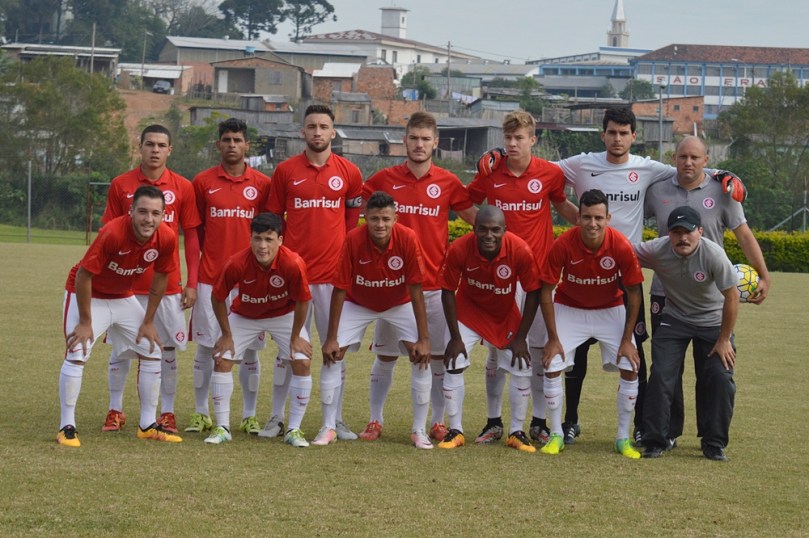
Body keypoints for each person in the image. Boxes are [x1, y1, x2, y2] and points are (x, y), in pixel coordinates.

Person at [477, 107, 746, 446]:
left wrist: (725, 175)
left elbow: (689, 166)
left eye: (624, 133)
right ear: (602, 134)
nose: (617, 139)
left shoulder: (648, 168)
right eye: (612, 132)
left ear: (634, 136)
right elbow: (531, 163)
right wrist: (500, 155)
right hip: (580, 269)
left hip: (624, 271)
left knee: (634, 354)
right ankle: (569, 422)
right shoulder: (580, 164)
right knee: (575, 355)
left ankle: (639, 427)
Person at [359, 111, 477, 444]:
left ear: (436, 143)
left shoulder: (449, 182)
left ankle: (437, 422)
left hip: (434, 286)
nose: (419, 144)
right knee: (385, 355)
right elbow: (354, 208)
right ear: (404, 140)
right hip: (392, 288)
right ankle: (374, 420)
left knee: (436, 357)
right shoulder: (384, 179)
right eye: (413, 138)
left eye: (426, 139)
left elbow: (478, 223)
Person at [644, 136, 770, 446]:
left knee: (712, 371)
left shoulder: (723, 190)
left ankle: (710, 437)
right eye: (682, 156)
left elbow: (743, 234)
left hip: (712, 299)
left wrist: (764, 276)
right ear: (674, 158)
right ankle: (668, 434)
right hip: (666, 292)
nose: (688, 162)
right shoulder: (657, 188)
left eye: (695, 157)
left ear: (706, 159)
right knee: (666, 372)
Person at [467, 111, 577, 447]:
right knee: (497, 351)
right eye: (508, 138)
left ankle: (539, 422)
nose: (513, 144)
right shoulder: (490, 172)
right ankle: (493, 422)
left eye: (519, 138)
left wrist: (593, 225)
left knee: (540, 350)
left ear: (533, 139)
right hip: (500, 277)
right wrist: (483, 237)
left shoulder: (550, 173)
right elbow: (463, 202)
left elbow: (563, 206)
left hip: (540, 277)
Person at [263, 104, 363, 444]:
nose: (317, 132)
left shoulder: (349, 172)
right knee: (287, 350)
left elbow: (352, 226)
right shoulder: (285, 171)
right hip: (293, 275)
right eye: (311, 126)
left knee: (335, 348)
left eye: (323, 126)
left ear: (333, 132)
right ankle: (278, 417)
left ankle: (333, 420)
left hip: (333, 278)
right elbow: (273, 222)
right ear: (302, 132)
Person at [57, 185, 181, 447]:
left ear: (163, 215)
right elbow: (83, 275)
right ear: (131, 211)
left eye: (155, 213)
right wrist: (86, 322)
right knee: (77, 352)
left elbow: (161, 278)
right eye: (143, 212)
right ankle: (66, 426)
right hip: (89, 294)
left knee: (151, 348)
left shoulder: (167, 237)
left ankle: (147, 425)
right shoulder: (112, 232)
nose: (149, 219)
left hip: (123, 295)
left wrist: (148, 322)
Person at [100, 124, 201, 434]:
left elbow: (193, 238)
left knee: (166, 350)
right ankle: (115, 409)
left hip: (167, 285)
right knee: (122, 350)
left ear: (170, 150)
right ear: (140, 147)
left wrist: (192, 282)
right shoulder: (121, 185)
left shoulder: (183, 186)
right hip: (125, 285)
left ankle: (166, 412)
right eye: (149, 144)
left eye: (161, 145)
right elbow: (108, 235)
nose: (155, 150)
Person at [320, 191, 432, 448]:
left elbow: (416, 289)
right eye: (374, 219)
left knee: (421, 355)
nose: (380, 225)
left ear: (395, 218)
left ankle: (419, 430)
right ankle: (328, 427)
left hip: (398, 303)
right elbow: (340, 288)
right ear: (365, 218)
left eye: (385, 219)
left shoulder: (407, 238)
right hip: (358, 303)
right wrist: (331, 338)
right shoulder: (353, 239)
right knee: (333, 354)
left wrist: (424, 339)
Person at [538, 189, 644, 459]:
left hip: (609, 310)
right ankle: (556, 434)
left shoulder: (620, 245)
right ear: (578, 218)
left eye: (598, 217)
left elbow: (634, 293)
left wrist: (626, 339)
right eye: (586, 217)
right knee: (551, 364)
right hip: (570, 308)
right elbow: (546, 290)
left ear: (608, 217)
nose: (592, 224)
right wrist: (552, 338)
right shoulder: (563, 244)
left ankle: (623, 437)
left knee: (631, 366)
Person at [634, 206, 739, 461]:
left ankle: (714, 443)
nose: (683, 237)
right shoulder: (657, 249)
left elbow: (732, 297)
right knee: (661, 375)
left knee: (720, 377)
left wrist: (724, 339)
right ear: (668, 234)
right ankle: (656, 440)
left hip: (713, 323)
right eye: (676, 232)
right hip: (675, 319)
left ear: (700, 232)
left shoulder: (714, 254)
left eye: (688, 232)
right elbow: (621, 251)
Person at [187, 118, 271, 435]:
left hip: (251, 282)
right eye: (226, 139)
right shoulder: (202, 182)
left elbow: (270, 233)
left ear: (246, 145)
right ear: (218, 144)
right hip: (212, 279)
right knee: (207, 348)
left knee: (249, 350)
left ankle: (249, 415)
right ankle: (200, 413)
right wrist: (193, 281)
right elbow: (195, 234)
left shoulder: (262, 184)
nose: (232, 145)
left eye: (237, 139)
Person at [204, 213, 314, 447]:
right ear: (250, 238)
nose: (262, 246)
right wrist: (226, 334)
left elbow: (303, 300)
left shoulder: (293, 263)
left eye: (268, 239)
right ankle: (222, 427)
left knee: (302, 360)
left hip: (284, 315)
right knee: (222, 359)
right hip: (246, 315)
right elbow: (217, 297)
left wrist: (296, 337)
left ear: (280, 240)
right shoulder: (236, 262)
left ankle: (294, 430)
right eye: (257, 239)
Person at [438, 205, 542, 452]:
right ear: (473, 229)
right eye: (482, 229)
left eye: (495, 230)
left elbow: (534, 293)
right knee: (453, 361)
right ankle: (456, 430)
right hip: (469, 312)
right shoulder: (460, 249)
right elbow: (448, 291)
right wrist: (455, 336)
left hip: (504, 314)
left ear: (505, 230)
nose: (489, 235)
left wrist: (521, 337)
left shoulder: (520, 250)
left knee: (521, 364)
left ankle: (517, 432)